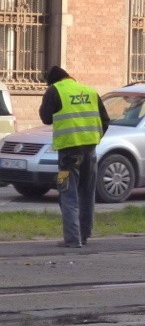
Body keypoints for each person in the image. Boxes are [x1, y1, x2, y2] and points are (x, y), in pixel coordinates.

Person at [39, 66, 109, 248]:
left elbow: (46, 118)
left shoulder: (54, 90)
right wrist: (94, 139)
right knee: (87, 193)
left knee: (66, 192)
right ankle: (84, 235)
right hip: (90, 151)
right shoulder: (90, 91)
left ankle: (72, 239)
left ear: (52, 82)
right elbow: (105, 120)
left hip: (67, 155)